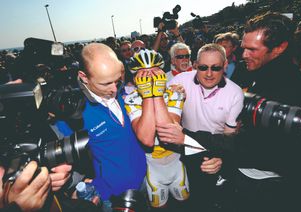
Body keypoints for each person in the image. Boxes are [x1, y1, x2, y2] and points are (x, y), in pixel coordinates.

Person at [159, 12, 301, 212]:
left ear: (279, 48)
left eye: (252, 49)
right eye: (243, 48)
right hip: (236, 172)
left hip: (265, 184)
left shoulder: (290, 88)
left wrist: (188, 139)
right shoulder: (245, 70)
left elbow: (261, 150)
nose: (244, 55)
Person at [55, 43, 147, 211]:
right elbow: (63, 163)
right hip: (112, 197)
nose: (114, 89)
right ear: (84, 77)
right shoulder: (72, 115)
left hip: (145, 182)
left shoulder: (125, 91)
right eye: (106, 84)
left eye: (117, 80)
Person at [160, 43, 244, 211]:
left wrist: (221, 159)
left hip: (214, 151)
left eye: (216, 68)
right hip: (183, 148)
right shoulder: (180, 81)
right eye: (203, 67)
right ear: (195, 65)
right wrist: (171, 98)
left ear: (225, 66)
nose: (209, 74)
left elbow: (230, 139)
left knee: (211, 200)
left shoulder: (235, 93)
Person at [125, 49, 189, 210]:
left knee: (185, 207)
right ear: (135, 77)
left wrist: (158, 95)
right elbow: (146, 138)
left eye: (154, 71)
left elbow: (169, 133)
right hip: (153, 168)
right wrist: (148, 96)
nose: (150, 77)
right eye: (144, 73)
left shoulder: (174, 93)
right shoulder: (131, 99)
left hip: (176, 162)